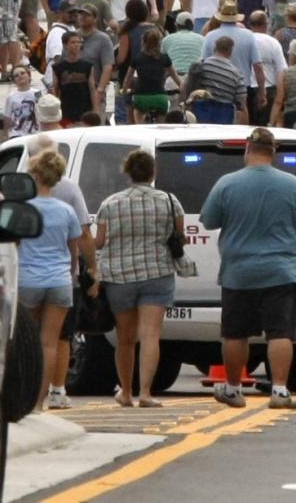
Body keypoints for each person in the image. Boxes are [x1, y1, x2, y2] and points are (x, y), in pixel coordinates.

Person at [198, 127, 296, 410]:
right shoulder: (292, 184)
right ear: (273, 151)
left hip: (238, 272)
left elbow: (209, 221)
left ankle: (232, 388)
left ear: (247, 149)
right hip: (281, 270)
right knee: (280, 333)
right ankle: (279, 390)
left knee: (235, 333)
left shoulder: (226, 184)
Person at [94, 148, 185, 406]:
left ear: (127, 172)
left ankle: (125, 391)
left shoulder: (110, 203)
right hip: (157, 272)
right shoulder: (169, 200)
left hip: (119, 276)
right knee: (150, 335)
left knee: (125, 338)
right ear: (153, 172)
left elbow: (99, 241)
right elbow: (179, 236)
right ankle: (145, 392)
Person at [17, 149, 91, 412]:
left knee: (29, 341)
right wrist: (71, 274)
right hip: (60, 281)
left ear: (35, 176)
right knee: (51, 342)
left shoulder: (23, 209)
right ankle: (41, 400)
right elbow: (74, 251)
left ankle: (24, 397)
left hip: (28, 279)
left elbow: (14, 246)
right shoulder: (66, 212)